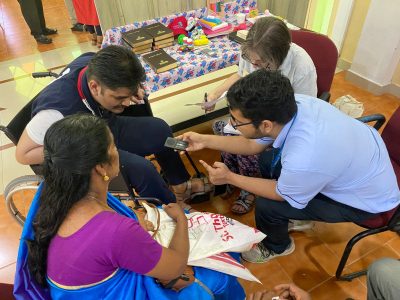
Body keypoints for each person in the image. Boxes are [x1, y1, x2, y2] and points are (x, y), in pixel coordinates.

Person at [179, 69, 400, 263]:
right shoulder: (296, 104)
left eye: (236, 121)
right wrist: (205, 140)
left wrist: (230, 178)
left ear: (265, 125)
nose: (231, 125)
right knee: (266, 160)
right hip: (363, 165)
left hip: (365, 201)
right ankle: (295, 212)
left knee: (267, 205)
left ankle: (278, 246)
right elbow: (252, 144)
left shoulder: (305, 157)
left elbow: (278, 192)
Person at [14, 114, 243, 299]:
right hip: (110, 292)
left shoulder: (52, 191)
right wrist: (181, 220)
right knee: (221, 273)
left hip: (74, 289)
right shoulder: (115, 230)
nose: (118, 152)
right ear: (101, 168)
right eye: (114, 147)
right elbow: (174, 268)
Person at [15, 45, 213, 209]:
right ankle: (170, 210)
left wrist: (133, 90)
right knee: (142, 169)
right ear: (94, 87)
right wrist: (81, 147)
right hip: (85, 146)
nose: (127, 103)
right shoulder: (54, 112)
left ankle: (179, 185)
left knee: (160, 130)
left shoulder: (93, 62)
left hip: (103, 125)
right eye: (120, 98)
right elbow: (23, 154)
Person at [205, 17, 317, 215]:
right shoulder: (252, 54)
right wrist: (216, 95)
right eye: (251, 60)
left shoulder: (302, 67)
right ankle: (231, 176)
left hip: (281, 120)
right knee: (227, 130)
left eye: (262, 64)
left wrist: (248, 123)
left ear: (278, 56)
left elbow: (301, 111)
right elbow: (242, 75)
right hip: (257, 112)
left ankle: (247, 188)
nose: (254, 65)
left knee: (244, 142)